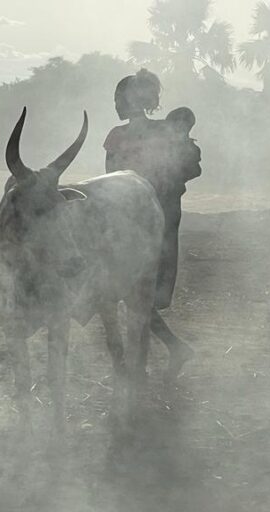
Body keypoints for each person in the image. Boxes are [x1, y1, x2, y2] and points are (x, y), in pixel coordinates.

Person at [104, 69, 201, 378]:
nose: (116, 103)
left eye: (119, 97)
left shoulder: (118, 137)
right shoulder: (167, 132)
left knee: (133, 293)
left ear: (131, 98)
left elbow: (111, 183)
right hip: (156, 219)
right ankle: (166, 352)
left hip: (142, 222)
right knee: (135, 294)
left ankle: (138, 367)